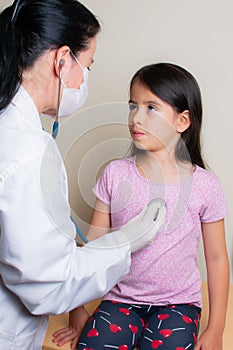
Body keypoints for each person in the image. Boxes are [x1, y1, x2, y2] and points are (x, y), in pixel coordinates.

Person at [0, 1, 166, 349]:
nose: (85, 78)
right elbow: (51, 284)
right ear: (61, 60)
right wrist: (123, 242)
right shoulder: (28, 154)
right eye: (87, 66)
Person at [53, 63, 230, 350]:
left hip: (178, 304)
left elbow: (217, 260)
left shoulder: (205, 186)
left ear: (182, 121)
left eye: (151, 108)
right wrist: (77, 309)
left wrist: (216, 329)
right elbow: (94, 248)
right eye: (133, 106)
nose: (137, 117)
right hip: (119, 300)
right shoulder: (115, 174)